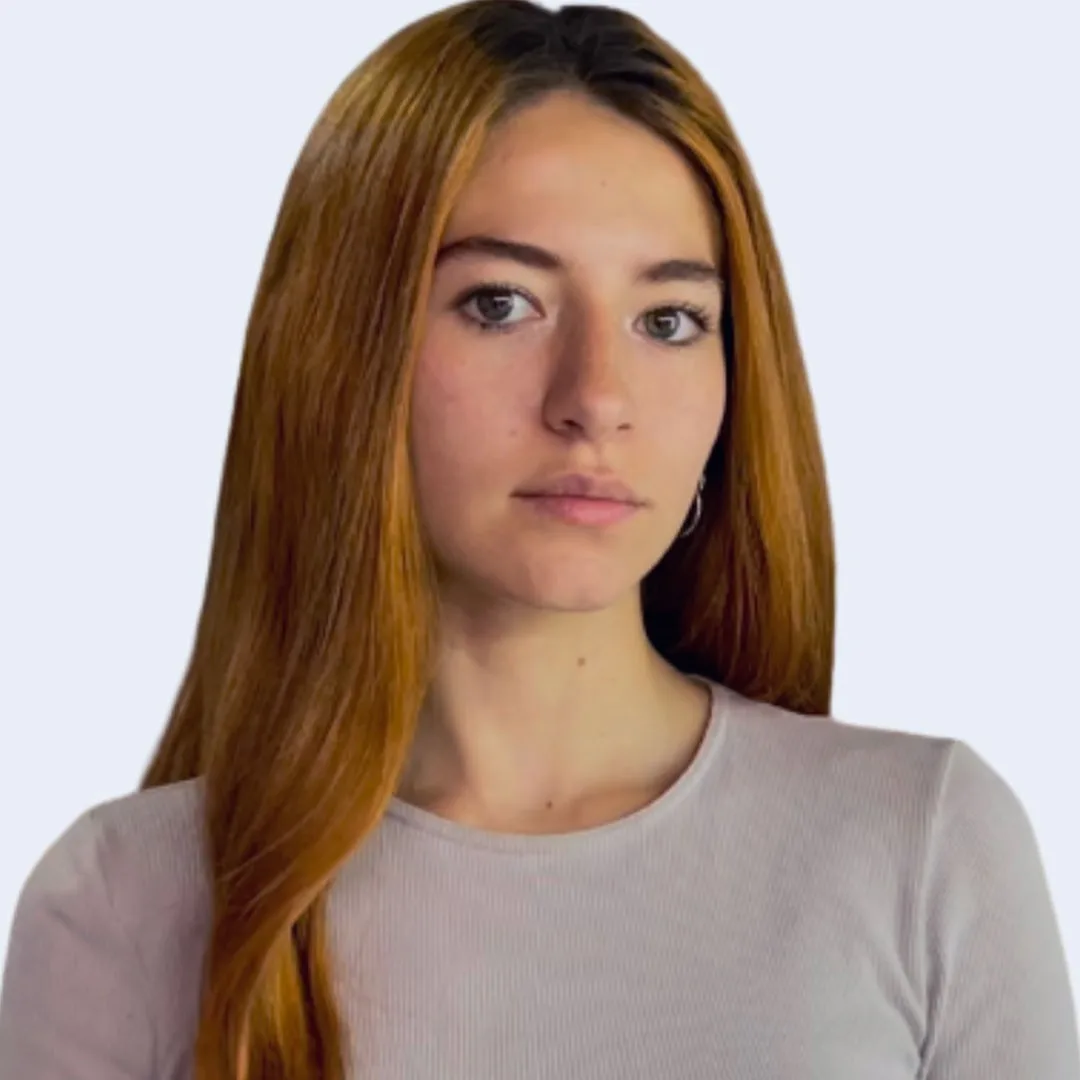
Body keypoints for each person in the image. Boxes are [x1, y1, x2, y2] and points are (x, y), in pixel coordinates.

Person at [1, 2, 1077, 1078]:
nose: (596, 398)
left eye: (668, 321)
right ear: (342, 352)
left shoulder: (923, 848)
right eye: (500, 304)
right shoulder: (126, 905)